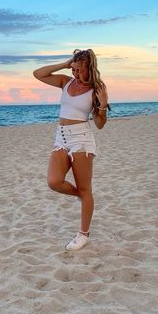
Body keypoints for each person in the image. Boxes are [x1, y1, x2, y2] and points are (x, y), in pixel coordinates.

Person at [33, 49, 109, 251]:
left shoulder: (96, 88)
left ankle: (83, 234)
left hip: (81, 139)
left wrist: (102, 105)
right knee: (54, 181)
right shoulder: (65, 82)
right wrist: (64, 64)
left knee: (86, 189)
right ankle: (83, 197)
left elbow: (100, 124)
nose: (75, 74)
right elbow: (38, 74)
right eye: (73, 69)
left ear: (89, 68)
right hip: (61, 136)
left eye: (79, 70)